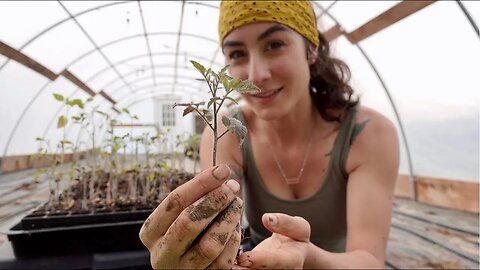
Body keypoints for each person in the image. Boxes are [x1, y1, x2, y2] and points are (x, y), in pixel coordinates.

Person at [139, 0, 399, 268]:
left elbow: (369, 261)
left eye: (274, 45)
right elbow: (222, 241)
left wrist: (306, 256)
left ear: (311, 50)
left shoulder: (368, 133)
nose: (256, 75)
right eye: (238, 54)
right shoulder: (226, 131)